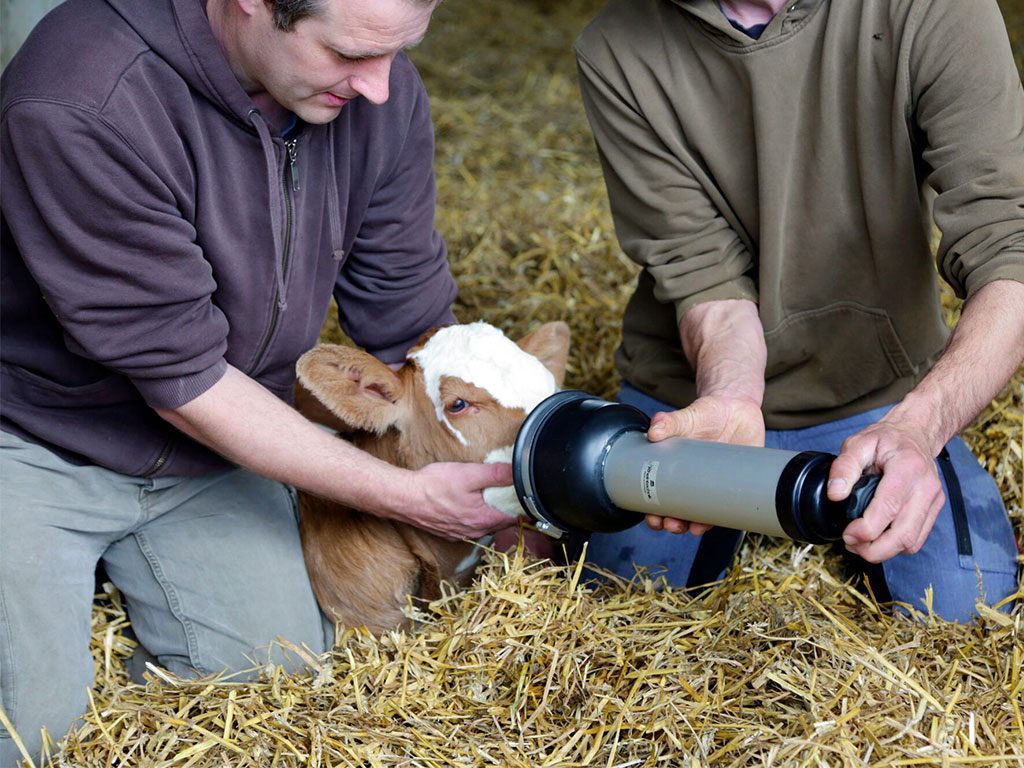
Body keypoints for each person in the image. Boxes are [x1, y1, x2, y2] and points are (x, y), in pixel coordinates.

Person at [0, 0, 519, 761]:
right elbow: (182, 377)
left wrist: (506, 467)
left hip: (217, 455)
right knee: (32, 729)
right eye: (347, 54)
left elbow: (407, 313)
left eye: (398, 51)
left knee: (275, 680)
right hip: (35, 438)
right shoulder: (86, 95)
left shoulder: (377, 92)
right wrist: (408, 498)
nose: (380, 86)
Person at [571, 0, 1024, 622]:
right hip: (690, 404)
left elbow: (1011, 248)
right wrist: (730, 395)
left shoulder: (936, 8)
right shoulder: (617, 45)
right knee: (611, 618)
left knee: (969, 613)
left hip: (880, 391)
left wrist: (920, 426)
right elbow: (704, 275)